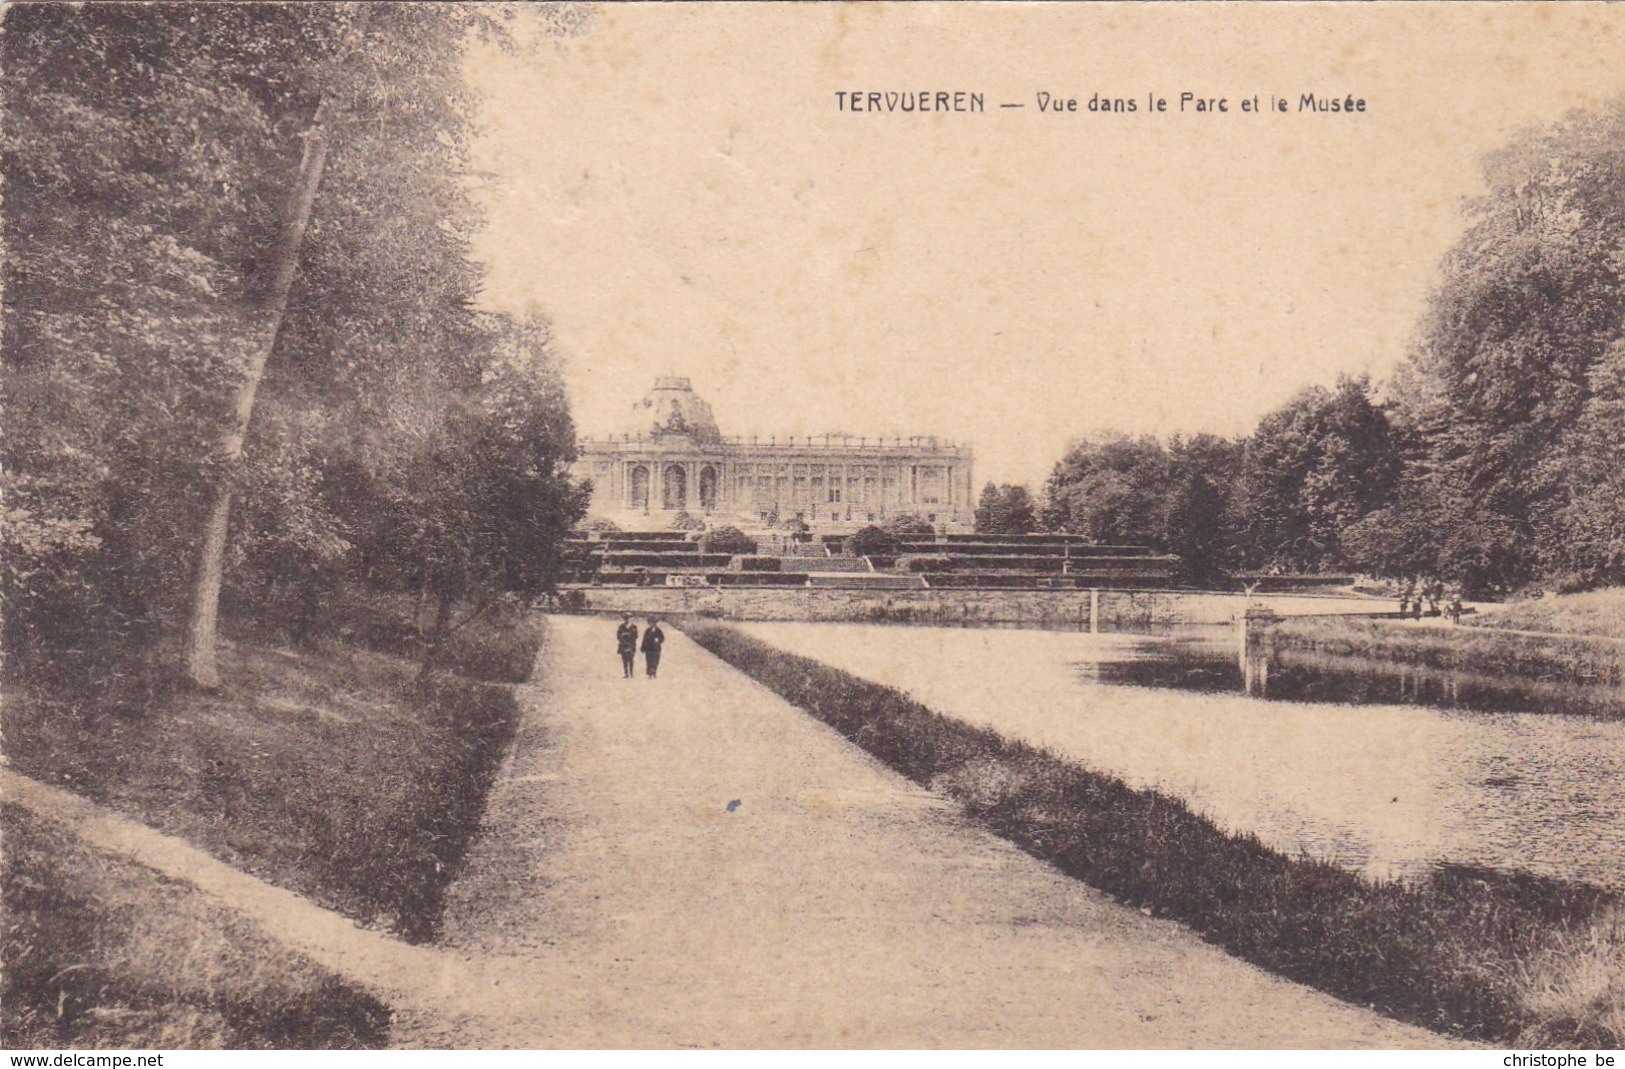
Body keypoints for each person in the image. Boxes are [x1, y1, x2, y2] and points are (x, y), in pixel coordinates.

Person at [615, 614, 638, 679]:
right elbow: (618, 635)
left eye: (628, 618)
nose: (627, 620)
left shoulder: (634, 627)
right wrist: (623, 638)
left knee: (631, 659)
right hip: (623, 645)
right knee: (624, 660)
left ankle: (631, 673)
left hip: (631, 645)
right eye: (626, 618)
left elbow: (636, 636)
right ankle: (626, 673)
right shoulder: (621, 626)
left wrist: (628, 634)